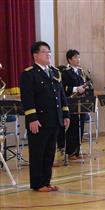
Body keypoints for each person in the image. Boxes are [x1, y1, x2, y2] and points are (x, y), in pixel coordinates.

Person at [20, 41, 70, 192]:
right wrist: (32, 119)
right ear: (35, 55)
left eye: (49, 51)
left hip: (54, 119)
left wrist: (65, 114)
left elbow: (61, 96)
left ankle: (46, 182)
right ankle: (37, 184)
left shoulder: (55, 72)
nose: (48, 54)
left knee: (49, 153)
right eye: (44, 52)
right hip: (39, 120)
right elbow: (27, 99)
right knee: (38, 153)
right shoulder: (29, 74)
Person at [61, 49, 90, 160]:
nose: (78, 59)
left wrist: (85, 86)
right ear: (69, 59)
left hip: (80, 102)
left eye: (78, 57)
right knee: (72, 127)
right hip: (71, 102)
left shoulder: (81, 71)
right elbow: (64, 87)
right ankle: (70, 151)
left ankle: (78, 150)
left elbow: (85, 82)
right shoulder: (65, 72)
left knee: (80, 125)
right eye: (75, 57)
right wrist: (75, 89)